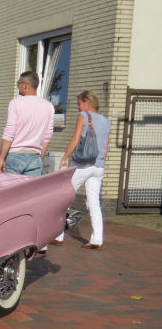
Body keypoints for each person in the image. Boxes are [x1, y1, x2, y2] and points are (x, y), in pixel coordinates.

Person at [52, 90, 111, 250]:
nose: (78, 107)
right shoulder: (106, 121)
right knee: (94, 203)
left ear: (87, 102)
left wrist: (65, 157)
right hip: (98, 167)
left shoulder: (84, 116)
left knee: (63, 197)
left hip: (82, 165)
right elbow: (106, 148)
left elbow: (75, 139)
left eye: (79, 103)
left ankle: (57, 236)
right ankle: (97, 239)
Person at [0, 71, 55, 177]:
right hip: (35, 156)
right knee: (32, 193)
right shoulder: (49, 107)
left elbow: (9, 132)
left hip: (15, 156)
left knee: (12, 192)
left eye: (18, 83)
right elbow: (47, 136)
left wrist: (1, 158)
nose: (17, 86)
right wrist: (40, 157)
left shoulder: (15, 103)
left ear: (25, 85)